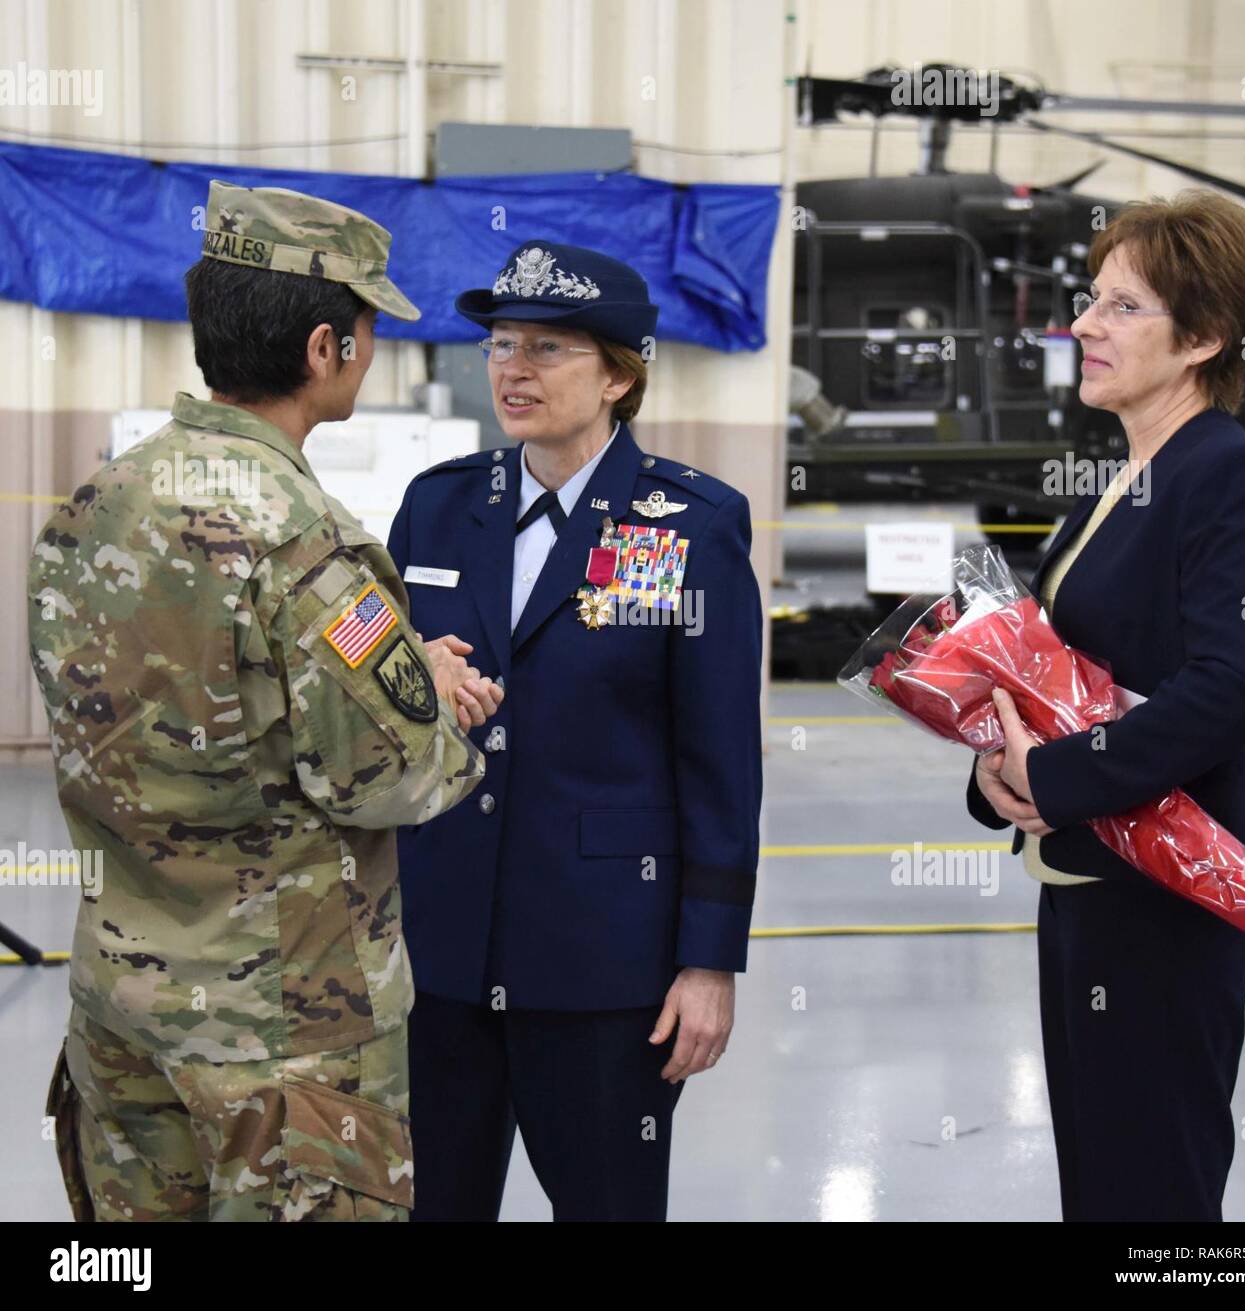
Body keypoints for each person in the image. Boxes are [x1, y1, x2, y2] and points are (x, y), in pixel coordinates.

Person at [28, 180, 497, 1222]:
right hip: (283, 1037)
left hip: (120, 1007)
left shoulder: (96, 504)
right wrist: (441, 703)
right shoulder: (307, 541)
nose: (368, 357)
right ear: (324, 347)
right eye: (369, 333)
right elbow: (394, 777)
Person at [388, 240, 764, 1221]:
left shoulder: (682, 527)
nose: (513, 368)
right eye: (501, 344)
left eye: (548, 348)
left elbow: (719, 758)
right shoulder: (437, 509)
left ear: (617, 375)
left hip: (604, 959)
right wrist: (400, 671)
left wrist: (708, 960)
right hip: (441, 952)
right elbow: (364, 652)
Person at [967, 191, 1245, 1221]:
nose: (1083, 328)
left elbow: (1237, 686)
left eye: (1121, 308)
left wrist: (1058, 778)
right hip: (1091, 875)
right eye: (1089, 300)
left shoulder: (1227, 478)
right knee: (1105, 1182)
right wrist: (995, 765)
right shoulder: (1123, 481)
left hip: (1171, 893)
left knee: (1153, 1190)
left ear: (1201, 338)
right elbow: (1054, 670)